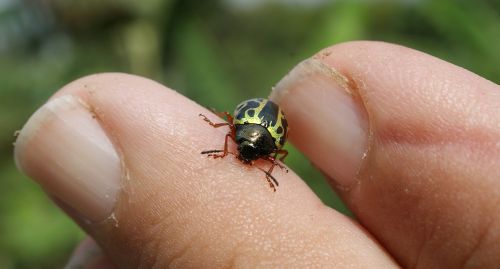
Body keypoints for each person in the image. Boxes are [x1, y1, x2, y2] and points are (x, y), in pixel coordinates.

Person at [14, 42, 500, 268]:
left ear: (266, 149)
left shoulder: (263, 140)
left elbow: (258, 138)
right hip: (249, 118)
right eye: (249, 150)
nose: (245, 154)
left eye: (253, 152)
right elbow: (245, 132)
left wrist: (255, 155)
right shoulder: (249, 135)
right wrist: (247, 152)